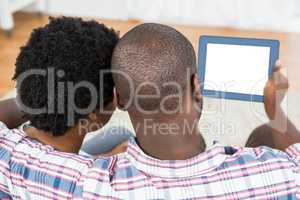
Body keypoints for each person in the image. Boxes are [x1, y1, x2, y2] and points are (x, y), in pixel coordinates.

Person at [0, 23, 298, 199]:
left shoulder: (58, 179)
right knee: (265, 133)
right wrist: (274, 111)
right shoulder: (279, 176)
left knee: (120, 134)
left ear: (119, 99)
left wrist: (43, 94)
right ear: (197, 86)